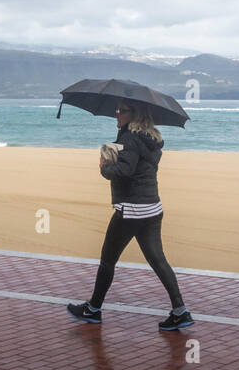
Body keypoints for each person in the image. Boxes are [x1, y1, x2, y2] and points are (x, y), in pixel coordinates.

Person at [67, 102, 193, 331]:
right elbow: (137, 166)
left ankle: (93, 309)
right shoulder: (150, 139)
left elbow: (125, 171)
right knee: (158, 260)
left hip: (132, 209)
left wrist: (104, 166)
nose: (116, 113)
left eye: (121, 110)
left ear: (134, 114)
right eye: (115, 109)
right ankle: (180, 311)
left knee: (107, 260)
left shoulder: (130, 139)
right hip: (152, 208)